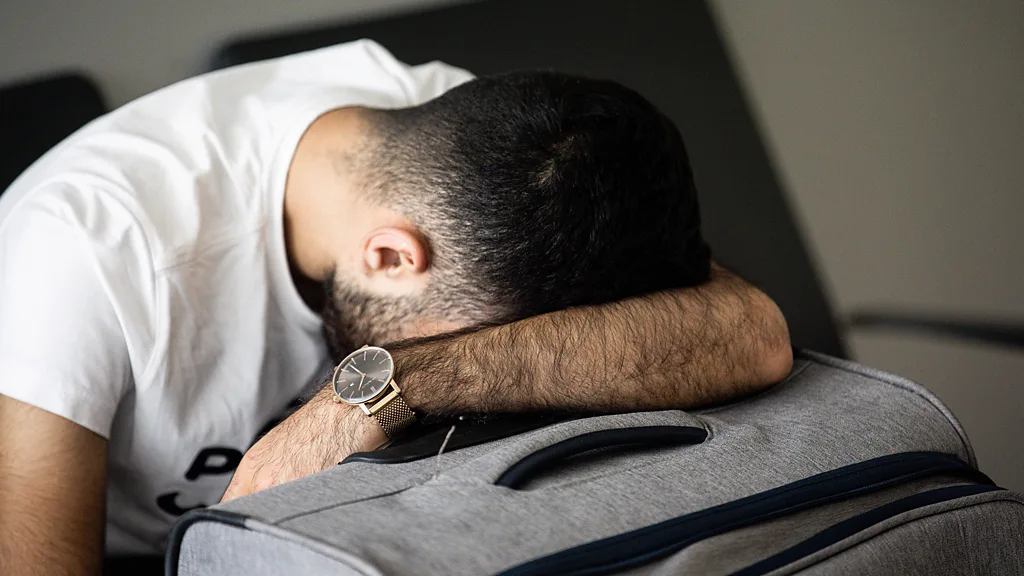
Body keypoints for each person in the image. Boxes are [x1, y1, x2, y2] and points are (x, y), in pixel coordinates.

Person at [0, 40, 791, 575]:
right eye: (482, 328)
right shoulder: (80, 254)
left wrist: (389, 385)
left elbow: (751, 334)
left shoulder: (488, 150)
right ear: (390, 256)